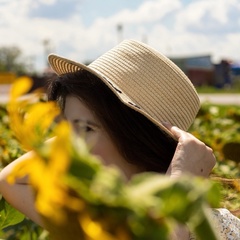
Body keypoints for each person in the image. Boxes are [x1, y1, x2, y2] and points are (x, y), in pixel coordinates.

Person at [0, 39, 238, 239]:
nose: (66, 145)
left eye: (87, 129)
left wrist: (178, 185)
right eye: (67, 129)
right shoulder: (96, 221)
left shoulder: (219, 230)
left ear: (135, 136)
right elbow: (10, 180)